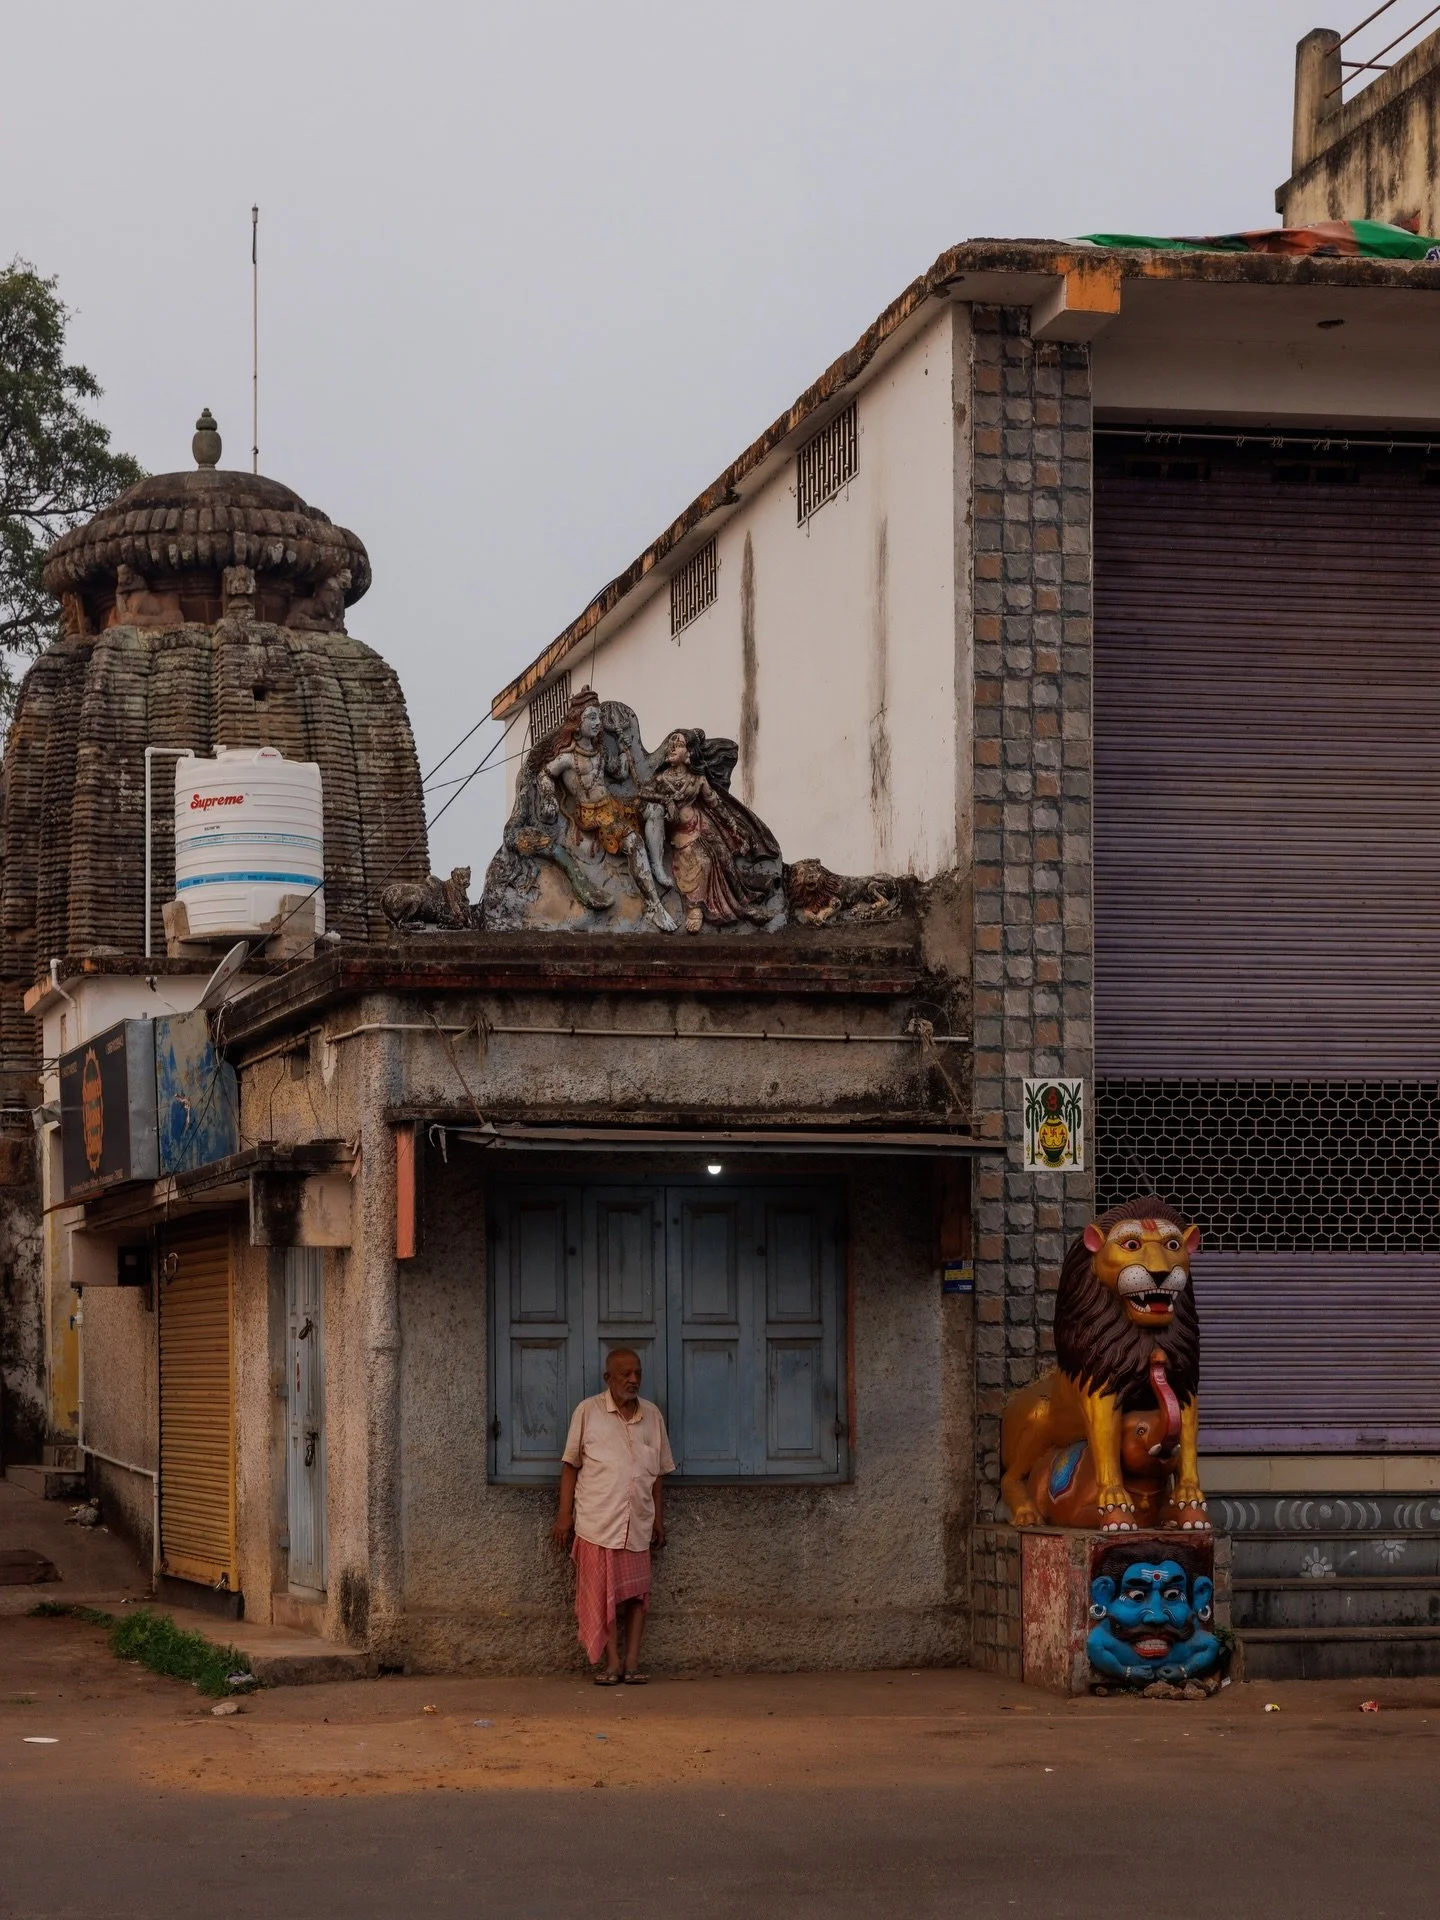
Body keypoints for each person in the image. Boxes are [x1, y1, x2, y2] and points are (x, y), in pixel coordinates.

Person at [553, 1347, 675, 1684]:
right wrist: (565, 1516)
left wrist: (658, 1521)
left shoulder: (652, 1416)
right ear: (608, 1378)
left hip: (637, 1522)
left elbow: (659, 1476)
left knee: (637, 1596)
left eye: (637, 1373)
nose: (633, 1379)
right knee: (599, 1597)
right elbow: (570, 1465)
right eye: (625, 1374)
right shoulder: (588, 1412)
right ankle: (612, 1663)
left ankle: (632, 1663)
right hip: (597, 1522)